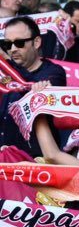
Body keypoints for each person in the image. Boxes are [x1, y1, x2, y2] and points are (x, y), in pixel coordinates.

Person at [0, 16, 67, 155]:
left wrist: (9, 67)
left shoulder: (54, 72)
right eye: (7, 44)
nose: (12, 49)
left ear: (36, 42)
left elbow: (38, 96)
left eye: (19, 43)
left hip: (34, 165)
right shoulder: (6, 72)